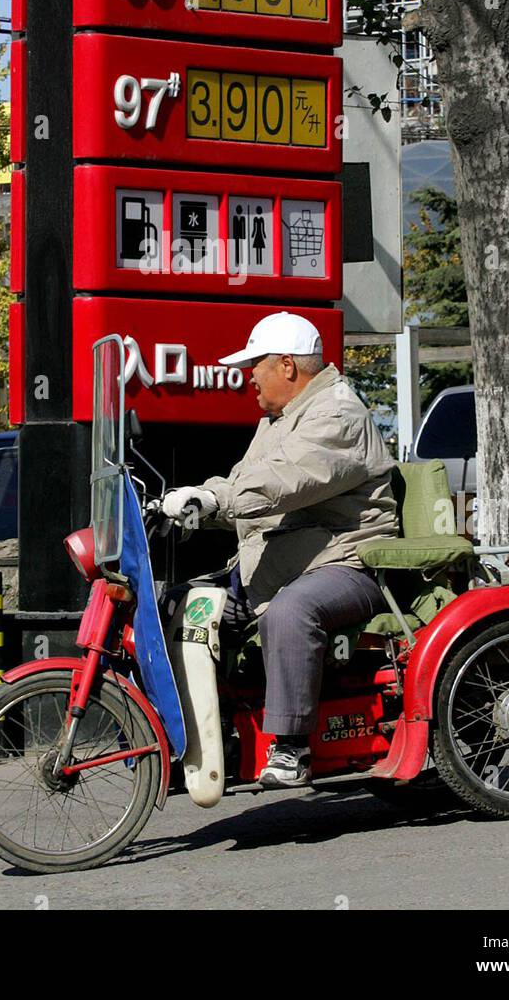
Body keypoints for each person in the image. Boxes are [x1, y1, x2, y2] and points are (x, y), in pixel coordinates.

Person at [162, 311, 398, 789]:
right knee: (177, 605)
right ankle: (207, 738)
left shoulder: (337, 414)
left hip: (350, 562)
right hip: (290, 560)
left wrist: (218, 499)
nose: (248, 374)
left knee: (290, 613)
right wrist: (200, 499)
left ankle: (291, 749)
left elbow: (285, 479)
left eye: (256, 363)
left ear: (287, 366)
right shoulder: (279, 419)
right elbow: (243, 483)